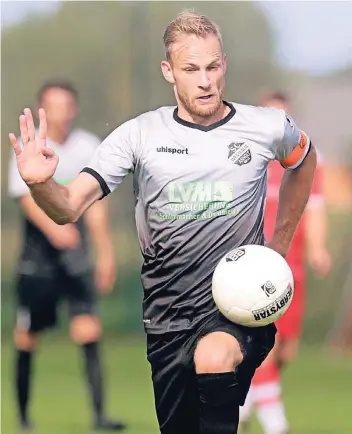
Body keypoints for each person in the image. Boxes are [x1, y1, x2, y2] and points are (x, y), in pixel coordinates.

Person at [9, 11, 318, 434]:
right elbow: (67, 207)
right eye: (191, 69)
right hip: (168, 315)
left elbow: (304, 159)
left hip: (238, 309)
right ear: (169, 71)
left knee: (214, 357)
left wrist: (277, 250)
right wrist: (41, 184)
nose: (205, 80)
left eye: (212, 67)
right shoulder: (139, 136)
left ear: (223, 63)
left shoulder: (265, 126)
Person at [8, 80, 126, 432]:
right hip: (38, 260)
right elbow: (25, 197)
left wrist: (105, 253)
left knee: (88, 331)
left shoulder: (87, 146)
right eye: (52, 105)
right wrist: (55, 227)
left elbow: (94, 206)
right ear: (41, 107)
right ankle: (24, 418)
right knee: (28, 336)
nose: (60, 112)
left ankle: (100, 417)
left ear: (73, 108)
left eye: (65, 105)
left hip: (76, 256)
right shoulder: (28, 145)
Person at [239, 91, 331, 434]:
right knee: (266, 340)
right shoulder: (247, 159)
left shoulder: (305, 160)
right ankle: (275, 420)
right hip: (256, 265)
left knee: (285, 351)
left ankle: (245, 399)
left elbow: (316, 208)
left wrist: (318, 248)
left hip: (293, 267)